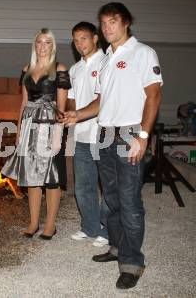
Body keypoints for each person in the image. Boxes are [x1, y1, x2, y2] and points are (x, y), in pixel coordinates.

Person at [63, 2, 163, 289]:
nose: (107, 28)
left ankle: (132, 263)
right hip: (104, 134)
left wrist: (143, 137)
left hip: (129, 133)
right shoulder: (107, 58)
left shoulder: (142, 53)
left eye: (112, 22)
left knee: (130, 202)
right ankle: (117, 248)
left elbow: (153, 96)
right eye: (103, 23)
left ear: (126, 22)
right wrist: (78, 114)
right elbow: (101, 102)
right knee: (112, 198)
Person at [2, 28, 71, 240]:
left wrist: (58, 133)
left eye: (47, 42)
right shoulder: (27, 68)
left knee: (52, 178)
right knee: (32, 177)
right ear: (35, 45)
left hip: (50, 126)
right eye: (39, 42)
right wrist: (19, 130)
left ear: (53, 46)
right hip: (30, 125)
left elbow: (62, 104)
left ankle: (50, 224)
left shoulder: (59, 69)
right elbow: (24, 102)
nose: (42, 46)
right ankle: (33, 223)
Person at [67, 22, 109, 248]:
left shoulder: (106, 63)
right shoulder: (75, 69)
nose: (79, 43)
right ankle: (90, 227)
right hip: (82, 135)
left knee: (108, 186)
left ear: (95, 38)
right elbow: (73, 100)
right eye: (76, 39)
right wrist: (68, 114)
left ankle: (107, 229)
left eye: (84, 38)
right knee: (83, 186)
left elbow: (103, 100)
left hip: (104, 135)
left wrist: (79, 114)